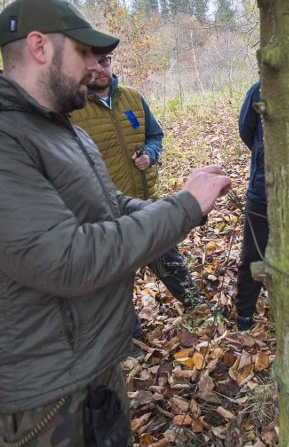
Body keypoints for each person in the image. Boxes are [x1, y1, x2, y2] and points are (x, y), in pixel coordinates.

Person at [0, 0, 231, 446]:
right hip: (48, 387)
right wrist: (182, 207)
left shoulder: (63, 131)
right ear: (39, 47)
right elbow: (67, 258)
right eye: (83, 52)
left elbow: (111, 210)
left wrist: (187, 206)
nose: (95, 65)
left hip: (97, 360)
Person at [71, 53, 212, 332]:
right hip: (104, 214)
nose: (102, 69)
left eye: (106, 61)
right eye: (95, 63)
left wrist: (150, 154)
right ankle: (132, 343)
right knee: (115, 283)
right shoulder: (73, 109)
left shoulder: (132, 98)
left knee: (169, 260)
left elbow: (154, 135)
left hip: (145, 203)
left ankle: (198, 309)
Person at [234, 82, 269, 331]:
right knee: (254, 254)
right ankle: (245, 312)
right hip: (262, 190)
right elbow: (246, 130)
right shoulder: (258, 91)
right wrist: (262, 154)